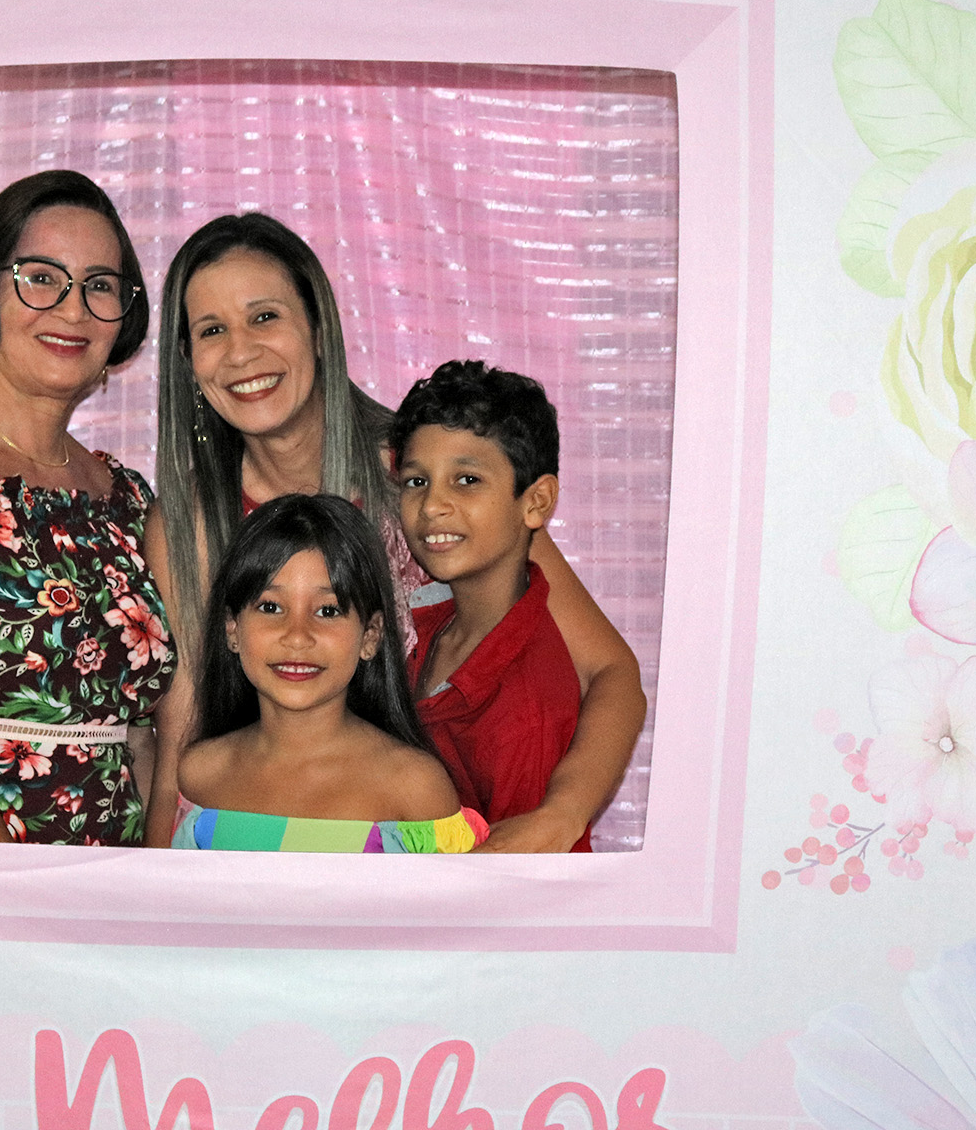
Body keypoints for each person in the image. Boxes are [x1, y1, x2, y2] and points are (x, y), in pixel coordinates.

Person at [144, 210, 644, 852]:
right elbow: (181, 736)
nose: (241, 352)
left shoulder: (428, 477)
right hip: (276, 862)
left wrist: (561, 814)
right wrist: (154, 898)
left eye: (264, 316)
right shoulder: (188, 521)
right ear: (187, 361)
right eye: (212, 330)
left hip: (466, 846)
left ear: (318, 329)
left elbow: (610, 672)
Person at [0, 170, 174, 846]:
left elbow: (144, 735)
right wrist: (10, 897)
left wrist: (157, 883)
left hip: (117, 889)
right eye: (41, 277)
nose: (73, 309)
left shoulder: (129, 499)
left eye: (99, 285)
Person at [392, 361, 642, 852]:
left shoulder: (525, 711)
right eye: (416, 482)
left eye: (466, 479)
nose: (433, 505)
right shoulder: (427, 625)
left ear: (536, 502)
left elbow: (515, 871)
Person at [173, 494, 487, 853]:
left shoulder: (416, 787)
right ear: (232, 629)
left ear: (370, 636)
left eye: (327, 611)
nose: (297, 636)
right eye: (271, 607)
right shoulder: (200, 776)